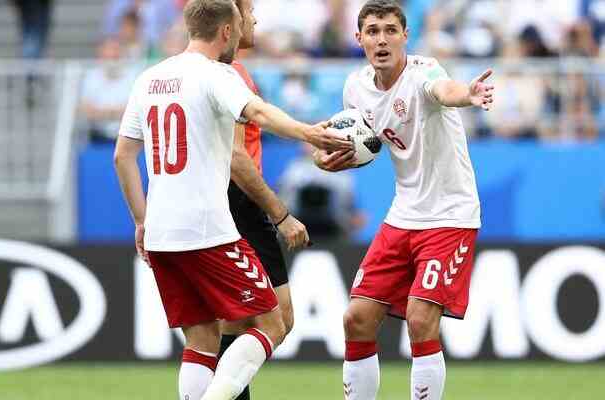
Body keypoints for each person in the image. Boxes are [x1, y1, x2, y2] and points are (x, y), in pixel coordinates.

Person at [113, 1, 351, 399]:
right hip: (209, 231)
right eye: (242, 23)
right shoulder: (216, 75)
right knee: (272, 325)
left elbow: (123, 156)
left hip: (161, 234)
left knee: (202, 340)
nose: (246, 28)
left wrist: (140, 220)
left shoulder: (150, 78)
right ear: (226, 31)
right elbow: (258, 111)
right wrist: (309, 133)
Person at [313, 1, 494, 399]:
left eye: (391, 30)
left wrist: (468, 93)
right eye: (373, 31)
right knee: (356, 319)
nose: (382, 39)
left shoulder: (424, 72)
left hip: (450, 215)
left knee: (419, 318)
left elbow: (444, 91)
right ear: (358, 38)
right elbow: (350, 144)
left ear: (405, 37)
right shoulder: (354, 88)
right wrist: (326, 159)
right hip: (404, 214)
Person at [215, 1, 308, 399]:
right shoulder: (230, 75)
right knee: (277, 321)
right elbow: (237, 157)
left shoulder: (204, 72)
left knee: (232, 325)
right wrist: (281, 214)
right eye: (249, 12)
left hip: (216, 203)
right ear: (231, 21)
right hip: (240, 204)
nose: (255, 19)